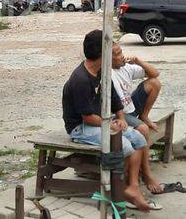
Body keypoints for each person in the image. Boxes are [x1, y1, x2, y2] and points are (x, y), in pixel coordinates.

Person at [62, 30, 151, 212]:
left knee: (139, 139)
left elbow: (113, 96)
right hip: (81, 127)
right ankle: (118, 188)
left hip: (100, 121)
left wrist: (120, 117)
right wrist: (111, 124)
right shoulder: (80, 79)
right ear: (102, 54)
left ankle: (131, 186)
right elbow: (87, 117)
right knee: (124, 145)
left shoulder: (102, 71)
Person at [111, 43, 165, 194]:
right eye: (117, 54)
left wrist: (138, 61)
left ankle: (144, 115)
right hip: (120, 113)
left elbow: (155, 73)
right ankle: (147, 175)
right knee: (143, 129)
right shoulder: (107, 73)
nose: (122, 56)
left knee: (154, 83)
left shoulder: (125, 67)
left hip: (131, 107)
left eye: (121, 52)